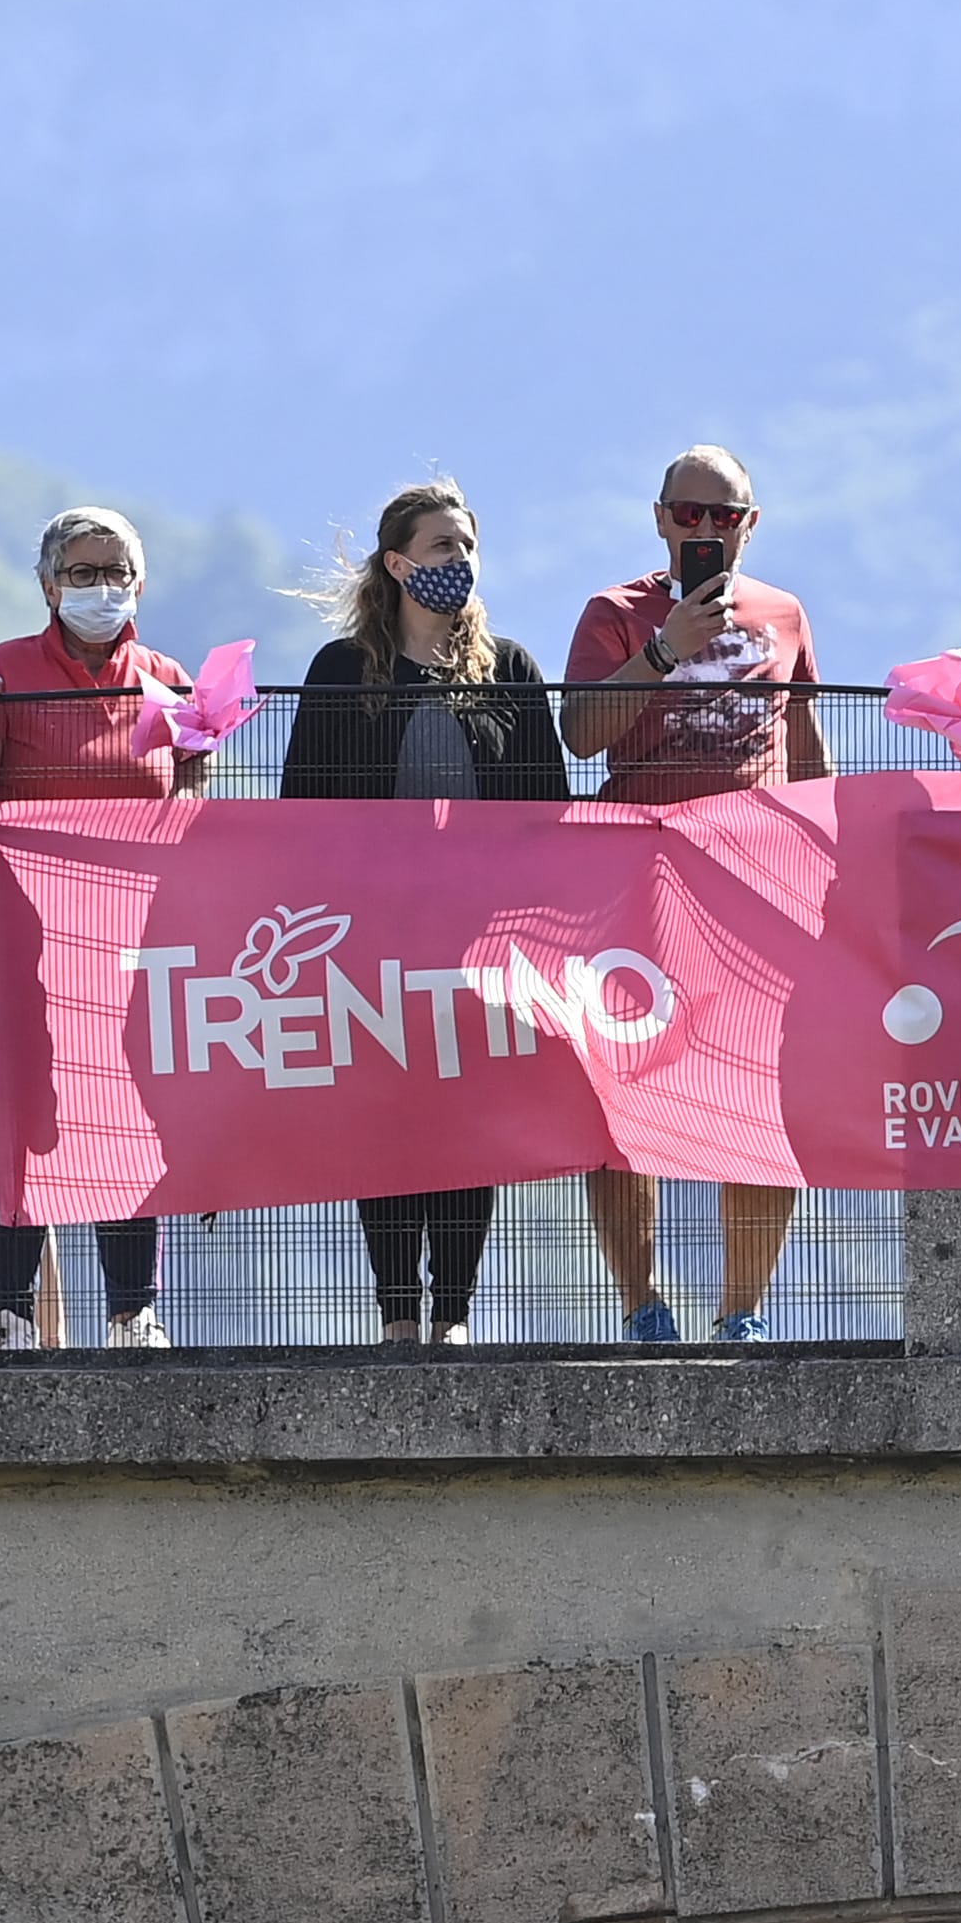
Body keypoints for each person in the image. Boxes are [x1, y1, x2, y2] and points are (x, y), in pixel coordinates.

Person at [283, 481, 572, 1346]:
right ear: (399, 563)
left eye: (469, 547)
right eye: (444, 547)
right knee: (386, 1124)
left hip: (478, 945)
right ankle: (396, 1315)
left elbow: (546, 806)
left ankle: (452, 1314)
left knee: (466, 1127)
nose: (461, 563)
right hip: (369, 942)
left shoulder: (509, 670)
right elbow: (304, 804)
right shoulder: (341, 673)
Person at [559, 446, 825, 1342]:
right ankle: (640, 1305)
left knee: (759, 1089)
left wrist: (833, 865)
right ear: (661, 518)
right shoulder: (615, 614)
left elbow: (805, 747)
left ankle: (741, 1312)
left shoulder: (785, 614)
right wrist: (666, 649)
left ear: (751, 524)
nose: (706, 531)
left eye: (727, 517)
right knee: (619, 1089)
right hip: (639, 881)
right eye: (690, 515)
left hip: (756, 886)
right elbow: (583, 732)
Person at [0, 506, 208, 1348]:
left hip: (134, 938)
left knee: (129, 1117)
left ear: (140, 582)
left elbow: (191, 805)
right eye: (83, 573)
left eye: (115, 571)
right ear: (49, 585)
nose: (101, 587)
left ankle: (132, 1310)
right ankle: (10, 1312)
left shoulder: (169, 679)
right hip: (24, 937)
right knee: (18, 1120)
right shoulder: (4, 673)